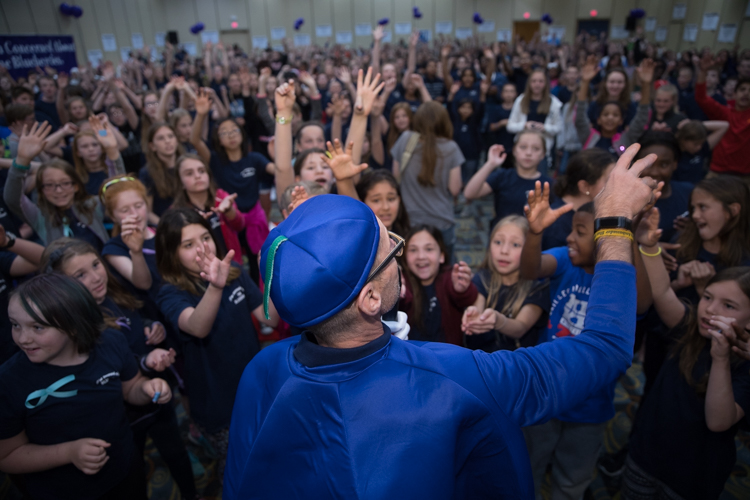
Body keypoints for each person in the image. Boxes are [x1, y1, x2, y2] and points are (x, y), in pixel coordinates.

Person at [224, 143, 662, 498]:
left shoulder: (261, 371)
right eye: (390, 250)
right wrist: (615, 225)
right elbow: (605, 348)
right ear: (372, 297)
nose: (399, 250)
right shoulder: (455, 376)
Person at [519, 180, 653, 499]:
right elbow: (530, 269)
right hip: (548, 392)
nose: (569, 237)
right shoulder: (565, 262)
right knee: (529, 466)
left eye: (580, 231)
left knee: (573, 478)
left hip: (591, 404)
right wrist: (535, 232)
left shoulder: (616, 278)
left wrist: (631, 235)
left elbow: (644, 302)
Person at [0, 273, 172, 500]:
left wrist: (148, 388)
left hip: (124, 470)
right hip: (64, 491)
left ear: (73, 324)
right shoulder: (9, 380)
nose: (22, 338)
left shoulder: (111, 343)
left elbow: (131, 389)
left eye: (38, 327)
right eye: (15, 325)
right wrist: (69, 453)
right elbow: (8, 456)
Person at [625, 208, 750, 500]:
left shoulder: (744, 365)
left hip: (693, 477)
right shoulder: (692, 329)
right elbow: (662, 293)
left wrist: (720, 359)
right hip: (645, 456)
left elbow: (718, 421)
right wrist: (649, 245)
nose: (711, 310)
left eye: (728, 306)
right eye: (707, 298)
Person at [155, 208, 278, 482]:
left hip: (252, 385)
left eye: (205, 238)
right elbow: (197, 327)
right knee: (236, 465)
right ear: (172, 253)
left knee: (265, 450)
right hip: (217, 403)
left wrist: (269, 273)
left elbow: (269, 315)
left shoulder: (232, 271)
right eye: (188, 245)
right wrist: (215, 286)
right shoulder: (170, 293)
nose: (201, 248)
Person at [5, 120, 121, 250]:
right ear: (42, 190)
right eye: (49, 185)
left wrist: (112, 151)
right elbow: (12, 199)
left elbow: (117, 191)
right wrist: (22, 161)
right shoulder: (40, 216)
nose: (59, 190)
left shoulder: (91, 206)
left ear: (76, 186)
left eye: (65, 183)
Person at [462, 215, 549, 352]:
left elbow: (520, 327)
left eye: (515, 244)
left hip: (517, 364)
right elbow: (478, 303)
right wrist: (474, 314)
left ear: (530, 251)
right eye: (498, 242)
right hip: (483, 360)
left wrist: (498, 320)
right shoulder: (483, 277)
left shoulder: (537, 288)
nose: (504, 251)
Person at [391, 101, 464, 261]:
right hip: (442, 221)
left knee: (411, 270)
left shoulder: (405, 139)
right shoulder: (451, 148)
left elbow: (395, 176)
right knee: (444, 271)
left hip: (410, 221)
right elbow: (455, 189)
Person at [399, 225, 477, 345]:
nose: (421, 256)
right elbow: (402, 303)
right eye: (413, 250)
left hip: (447, 357)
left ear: (441, 256)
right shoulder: (403, 280)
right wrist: (396, 291)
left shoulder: (449, 277)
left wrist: (462, 289)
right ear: (405, 257)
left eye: (429, 249)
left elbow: (468, 299)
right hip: (410, 355)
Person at [464, 134, 552, 231]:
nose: (528, 152)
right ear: (514, 150)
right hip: (501, 235)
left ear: (543, 154)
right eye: (523, 147)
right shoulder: (502, 176)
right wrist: (490, 164)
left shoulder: (548, 185)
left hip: (532, 240)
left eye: (536, 148)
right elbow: (469, 193)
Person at [172, 153, 246, 265]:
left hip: (231, 263)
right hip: (200, 267)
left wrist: (229, 211)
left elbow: (240, 225)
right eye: (189, 173)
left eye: (201, 171)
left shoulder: (222, 197)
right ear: (180, 182)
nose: (197, 176)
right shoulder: (177, 212)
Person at [576, 56, 653, 156]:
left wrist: (646, 84)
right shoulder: (591, 138)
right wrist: (585, 81)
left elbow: (641, 119)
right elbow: (580, 119)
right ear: (598, 119)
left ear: (621, 120)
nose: (610, 118)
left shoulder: (624, 139)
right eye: (606, 114)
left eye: (616, 115)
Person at [542, 149, 615, 250]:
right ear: (585, 187)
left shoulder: (594, 212)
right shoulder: (557, 226)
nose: (617, 185)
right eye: (609, 180)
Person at [694, 53, 750, 178]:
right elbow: (701, 98)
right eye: (742, 90)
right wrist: (703, 71)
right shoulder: (724, 113)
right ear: (734, 94)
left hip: (744, 175)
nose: (746, 93)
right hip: (717, 171)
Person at [506, 69, 563, 171]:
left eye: (541, 81)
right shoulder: (521, 100)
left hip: (542, 151)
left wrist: (545, 128)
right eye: (534, 81)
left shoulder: (554, 103)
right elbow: (510, 126)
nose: (537, 84)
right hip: (522, 149)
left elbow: (559, 128)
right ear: (529, 83)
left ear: (545, 83)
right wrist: (524, 125)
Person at [355, 169, 411, 237]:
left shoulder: (409, 238)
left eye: (391, 199)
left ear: (399, 200)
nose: (386, 207)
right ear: (362, 203)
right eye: (376, 200)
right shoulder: (359, 239)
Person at [674, 120, 729, 184]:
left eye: (701, 144)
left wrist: (695, 125)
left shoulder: (701, 151)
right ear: (683, 140)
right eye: (695, 144)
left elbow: (725, 126)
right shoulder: (673, 153)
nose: (699, 147)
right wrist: (689, 127)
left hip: (697, 190)